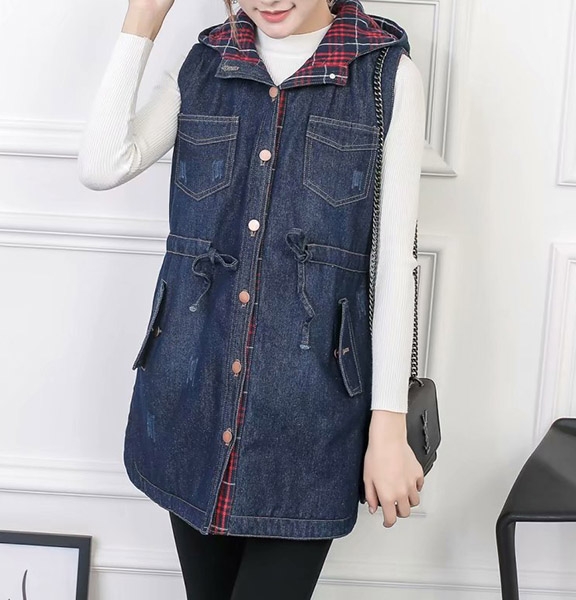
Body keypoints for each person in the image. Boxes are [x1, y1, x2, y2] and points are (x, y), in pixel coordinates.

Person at [78, 0, 426, 597]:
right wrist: (143, 19)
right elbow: (101, 165)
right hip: (193, 398)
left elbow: (395, 262)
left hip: (308, 418)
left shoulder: (385, 76)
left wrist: (388, 427)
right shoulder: (205, 62)